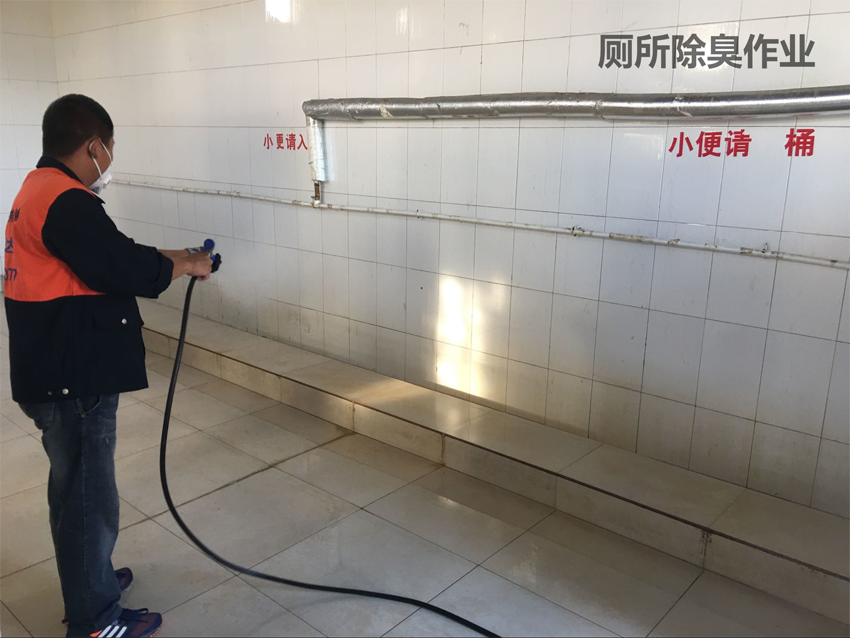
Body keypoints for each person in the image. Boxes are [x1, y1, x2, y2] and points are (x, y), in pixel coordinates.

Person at [3, 94, 213, 638]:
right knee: (87, 498)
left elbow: (110, 255)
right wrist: (184, 265)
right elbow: (121, 266)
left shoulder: (38, 190)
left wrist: (178, 258)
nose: (110, 158)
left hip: (54, 367)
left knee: (74, 490)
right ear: (94, 145)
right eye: (110, 147)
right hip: (73, 377)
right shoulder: (68, 202)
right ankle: (94, 620)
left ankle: (89, 579)